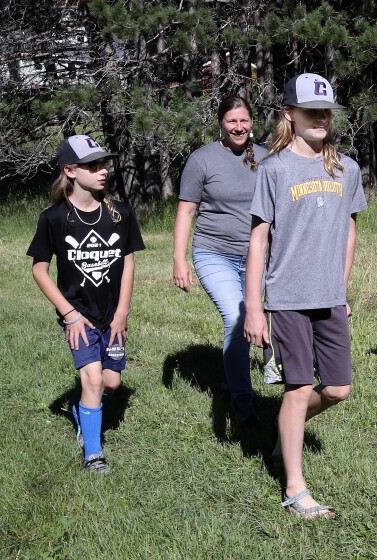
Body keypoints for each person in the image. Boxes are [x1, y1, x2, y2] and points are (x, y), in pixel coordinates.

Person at [243, 73, 368, 519]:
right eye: (311, 111)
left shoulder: (346, 168)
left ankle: (284, 431)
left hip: (329, 296)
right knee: (297, 390)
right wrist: (254, 307)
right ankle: (295, 488)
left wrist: (342, 284)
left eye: (327, 112)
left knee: (338, 389)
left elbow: (350, 228)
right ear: (289, 115)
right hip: (287, 297)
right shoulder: (274, 170)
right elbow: (258, 240)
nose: (320, 118)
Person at [28, 134, 145, 473]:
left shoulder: (120, 213)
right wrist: (69, 314)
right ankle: (93, 453)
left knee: (111, 383)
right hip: (78, 316)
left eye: (103, 164)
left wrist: (122, 312)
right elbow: (39, 270)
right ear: (70, 170)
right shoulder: (53, 218)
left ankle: (83, 409)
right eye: (92, 166)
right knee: (92, 380)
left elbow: (128, 263)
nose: (102, 171)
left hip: (113, 315)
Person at [173, 96, 268, 424]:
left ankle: (231, 378)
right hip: (214, 252)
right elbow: (186, 211)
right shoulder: (202, 160)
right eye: (231, 121)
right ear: (220, 124)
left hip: (257, 256)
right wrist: (179, 260)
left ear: (252, 122)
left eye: (244, 121)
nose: (239, 127)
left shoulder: (266, 158)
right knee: (238, 316)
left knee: (261, 317)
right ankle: (243, 399)